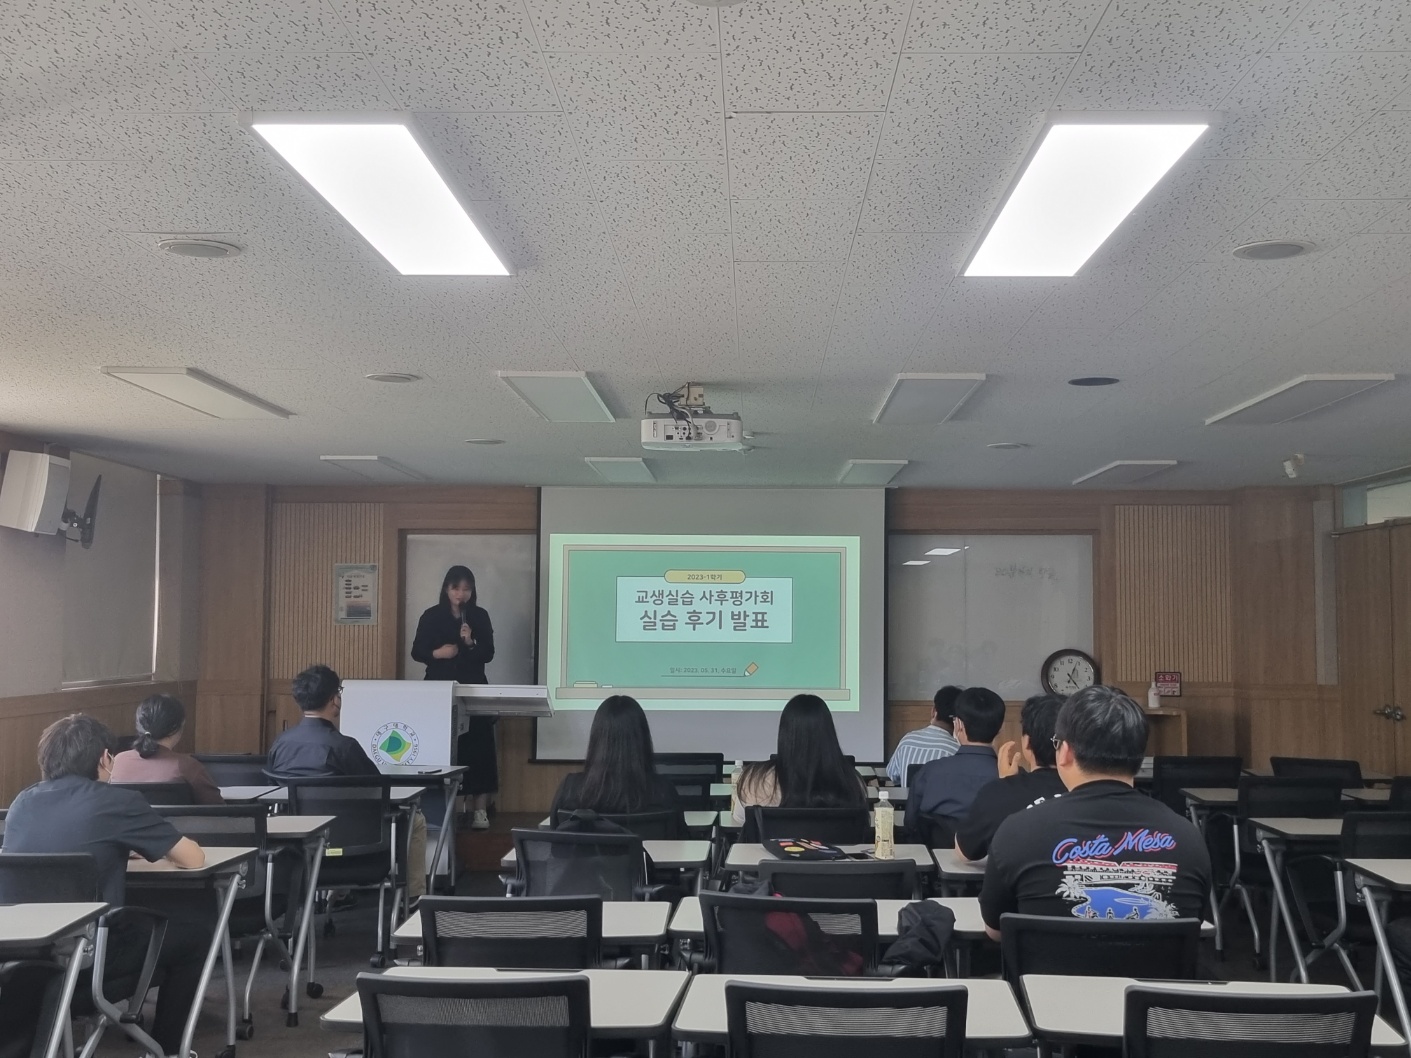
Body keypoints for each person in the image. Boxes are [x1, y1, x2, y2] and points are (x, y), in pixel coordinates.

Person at [1, 714, 208, 1056]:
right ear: (104, 758)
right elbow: (192, 858)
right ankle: (169, 1049)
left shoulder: (22, 802)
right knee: (195, 937)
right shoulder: (118, 802)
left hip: (24, 959)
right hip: (89, 961)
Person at [979, 686, 1212, 940]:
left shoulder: (1017, 831)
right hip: (1154, 968)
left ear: (1065, 752)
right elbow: (1193, 926)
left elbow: (996, 930)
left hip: (1054, 968)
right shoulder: (1189, 838)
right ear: (1139, 756)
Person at [268, 664, 428, 902]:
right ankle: (414, 900)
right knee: (415, 819)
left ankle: (334, 894)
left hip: (297, 850)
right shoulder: (344, 747)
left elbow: (272, 789)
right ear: (334, 700)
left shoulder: (280, 744)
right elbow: (377, 792)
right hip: (357, 853)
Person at [411, 565, 497, 830]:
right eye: (456, 588)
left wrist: (470, 643)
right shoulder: (432, 615)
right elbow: (417, 651)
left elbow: (488, 653)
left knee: (480, 748)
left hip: (473, 689)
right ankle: (449, 809)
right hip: (439, 690)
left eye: (467, 589)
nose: (461, 594)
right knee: (445, 748)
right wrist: (438, 654)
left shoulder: (479, 616)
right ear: (446, 589)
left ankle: (480, 809)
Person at [955, 693, 1067, 861]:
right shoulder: (1096, 795)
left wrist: (1005, 787)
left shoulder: (998, 792)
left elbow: (965, 852)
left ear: (1027, 743)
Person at [550, 695, 683, 833]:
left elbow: (554, 839)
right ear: (642, 739)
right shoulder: (664, 791)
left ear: (597, 738)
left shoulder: (570, 789)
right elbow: (680, 841)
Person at [733, 694, 868, 825]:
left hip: (773, 842)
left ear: (784, 734)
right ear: (829, 734)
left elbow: (739, 821)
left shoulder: (755, 780)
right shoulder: (852, 782)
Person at [906, 686, 1006, 831]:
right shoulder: (1015, 776)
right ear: (1001, 727)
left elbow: (910, 824)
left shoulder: (928, 772)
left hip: (935, 845)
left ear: (958, 724)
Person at [109, 693, 223, 804]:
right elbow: (217, 808)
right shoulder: (187, 766)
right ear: (176, 727)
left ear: (139, 725)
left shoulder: (118, 761)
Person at [885, 684, 961, 785]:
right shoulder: (956, 750)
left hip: (908, 796)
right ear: (960, 718)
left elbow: (892, 774)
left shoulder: (907, 741)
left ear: (933, 711)